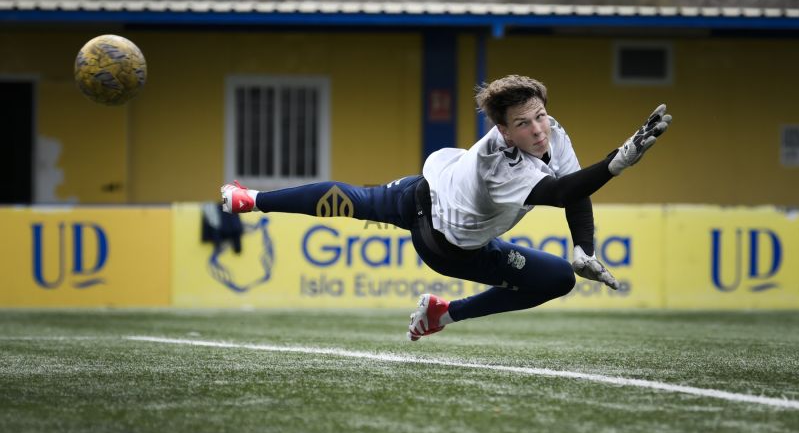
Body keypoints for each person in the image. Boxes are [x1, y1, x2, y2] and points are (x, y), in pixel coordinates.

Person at [221, 75, 672, 341]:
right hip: (443, 241)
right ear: (503, 130)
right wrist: (619, 160)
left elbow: (573, 191)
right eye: (523, 123)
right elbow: (560, 192)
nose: (538, 129)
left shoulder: (551, 130)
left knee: (358, 200)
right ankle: (253, 199)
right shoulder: (500, 164)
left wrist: (583, 247)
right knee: (351, 201)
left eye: (539, 115)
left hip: (428, 188)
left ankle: (249, 199)